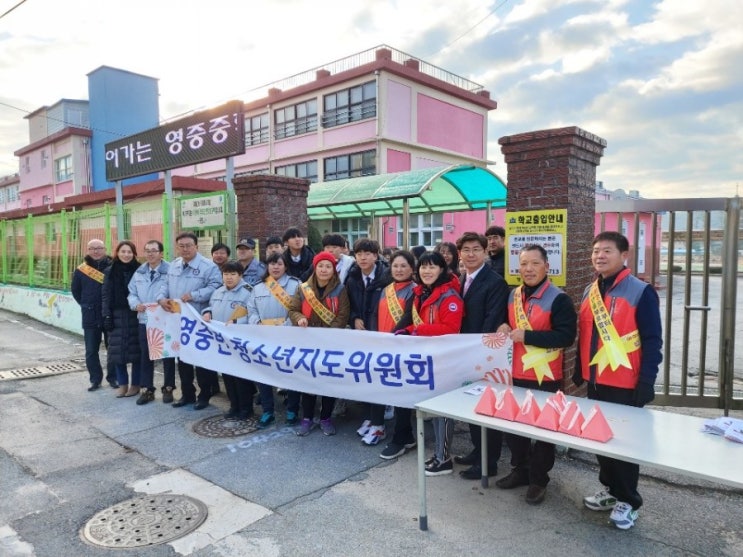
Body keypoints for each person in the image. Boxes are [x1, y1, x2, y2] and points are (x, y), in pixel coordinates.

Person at [575, 231, 662, 530]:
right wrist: (579, 369)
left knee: (625, 445)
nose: (599, 255)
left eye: (607, 251)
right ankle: (611, 491)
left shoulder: (640, 291)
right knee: (602, 438)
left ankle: (629, 500)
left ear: (624, 255)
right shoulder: (590, 291)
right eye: (596, 250)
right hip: (596, 380)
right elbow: (586, 335)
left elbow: (652, 340)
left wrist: (647, 382)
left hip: (626, 382)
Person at [495, 244, 577, 504]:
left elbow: (566, 336)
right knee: (514, 428)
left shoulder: (558, 298)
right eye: (523, 264)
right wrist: (503, 325)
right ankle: (520, 470)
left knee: (543, 432)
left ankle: (539, 480)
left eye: (534, 263)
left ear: (546, 267)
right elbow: (503, 322)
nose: (528, 269)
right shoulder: (512, 295)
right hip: (514, 373)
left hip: (545, 377)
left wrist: (527, 335)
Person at [398, 251, 463, 475]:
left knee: (443, 410)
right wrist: (404, 330)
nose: (427, 271)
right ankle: (438, 455)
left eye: (432, 267)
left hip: (444, 360)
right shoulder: (420, 293)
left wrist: (416, 330)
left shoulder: (450, 296)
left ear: (442, 270)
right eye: (423, 267)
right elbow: (418, 322)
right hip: (426, 358)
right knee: (432, 408)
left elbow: (450, 329)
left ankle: (444, 458)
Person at [455, 231, 510, 480]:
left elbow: (492, 320)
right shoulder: (460, 278)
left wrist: (476, 350)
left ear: (486, 251)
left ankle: (489, 462)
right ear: (460, 254)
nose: (471, 254)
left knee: (486, 406)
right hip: (464, 352)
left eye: (476, 249)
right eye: (466, 249)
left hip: (483, 354)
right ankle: (478, 451)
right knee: (470, 405)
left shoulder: (495, 281)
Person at [158, 232, 222, 410]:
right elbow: (165, 285)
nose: (185, 249)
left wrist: (194, 295)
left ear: (196, 246)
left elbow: (216, 288)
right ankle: (187, 394)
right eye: (181, 246)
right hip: (177, 320)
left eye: (188, 245)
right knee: (183, 359)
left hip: (198, 319)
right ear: (177, 247)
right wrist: (161, 298)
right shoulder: (174, 266)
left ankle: (204, 394)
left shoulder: (208, 266)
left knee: (201, 360)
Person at [288, 251, 350, 436]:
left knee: (327, 382)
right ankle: (306, 418)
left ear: (334, 270)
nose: (324, 270)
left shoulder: (340, 290)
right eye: (320, 266)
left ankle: (325, 418)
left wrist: (328, 335)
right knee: (308, 382)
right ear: (315, 268)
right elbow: (293, 309)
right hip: (307, 343)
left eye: (328, 266)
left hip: (330, 344)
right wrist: (299, 318)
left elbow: (343, 315)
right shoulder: (303, 288)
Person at [345, 238, 392, 446]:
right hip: (361, 335)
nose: (363, 258)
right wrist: (354, 317)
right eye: (359, 254)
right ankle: (370, 417)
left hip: (381, 335)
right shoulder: (352, 276)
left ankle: (379, 425)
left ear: (376, 255)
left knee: (379, 379)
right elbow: (349, 304)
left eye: (367, 253)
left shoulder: (387, 276)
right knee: (363, 378)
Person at [247, 252, 302, 428]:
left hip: (289, 338)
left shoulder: (296, 285)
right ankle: (267, 411)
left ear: (285, 266)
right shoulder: (258, 287)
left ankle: (292, 410)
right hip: (264, 338)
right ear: (267, 266)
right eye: (272, 264)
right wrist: (257, 323)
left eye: (279, 263)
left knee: (290, 375)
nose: (275, 267)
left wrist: (285, 327)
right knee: (264, 375)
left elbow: (300, 309)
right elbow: (251, 310)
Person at [377, 250, 418, 459]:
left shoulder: (415, 290)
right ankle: (408, 436)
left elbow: (408, 319)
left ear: (412, 268)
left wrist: (392, 339)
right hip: (385, 346)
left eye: (404, 266)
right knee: (392, 391)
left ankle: (400, 439)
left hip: (402, 346)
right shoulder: (386, 290)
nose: (399, 269)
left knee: (401, 393)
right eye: (395, 265)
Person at [202, 260, 254, 420]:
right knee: (227, 376)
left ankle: (246, 408)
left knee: (241, 377)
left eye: (233, 274)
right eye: (226, 274)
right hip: (221, 342)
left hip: (239, 341)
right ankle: (234, 406)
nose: (229, 278)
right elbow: (210, 306)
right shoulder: (218, 292)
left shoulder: (249, 292)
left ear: (240, 275)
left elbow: (253, 314)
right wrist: (207, 312)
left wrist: (238, 322)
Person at [127, 240, 176, 405]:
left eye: (154, 251)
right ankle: (147, 389)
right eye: (147, 250)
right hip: (145, 320)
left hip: (166, 319)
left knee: (167, 354)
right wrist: (135, 304)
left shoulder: (171, 270)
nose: (150, 254)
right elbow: (131, 293)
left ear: (161, 253)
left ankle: (168, 387)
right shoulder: (139, 272)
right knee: (146, 355)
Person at [71, 238, 117, 391]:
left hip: (110, 313)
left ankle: (113, 378)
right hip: (90, 315)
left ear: (105, 249)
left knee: (113, 348)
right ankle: (95, 380)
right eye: (92, 248)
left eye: (99, 248)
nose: (96, 251)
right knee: (91, 350)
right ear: (88, 250)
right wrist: (86, 305)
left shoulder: (113, 266)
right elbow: (76, 291)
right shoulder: (81, 270)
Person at [101, 240, 142, 398]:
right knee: (117, 352)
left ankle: (136, 384)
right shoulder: (109, 271)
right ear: (117, 253)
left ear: (134, 254)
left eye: (129, 252)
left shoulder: (140, 270)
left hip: (135, 314)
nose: (126, 255)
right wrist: (106, 315)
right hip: (116, 314)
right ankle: (122, 384)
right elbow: (105, 295)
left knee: (136, 352)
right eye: (123, 251)